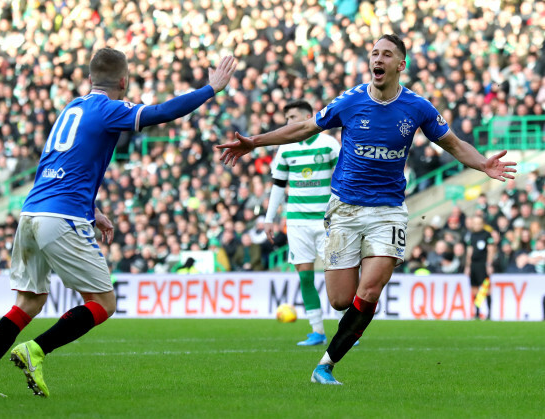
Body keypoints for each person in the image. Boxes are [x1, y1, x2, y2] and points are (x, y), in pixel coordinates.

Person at [217, 34, 516, 385]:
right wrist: (255, 141)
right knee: (341, 300)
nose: (378, 58)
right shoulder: (350, 101)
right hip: (345, 208)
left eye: (386, 54)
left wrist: (482, 163)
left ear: (400, 65)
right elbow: (305, 127)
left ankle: (325, 365)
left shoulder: (417, 107)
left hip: (388, 211)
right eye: (374, 53)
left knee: (370, 291)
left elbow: (452, 143)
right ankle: (360, 311)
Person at [0, 48, 237, 398]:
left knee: (28, 303)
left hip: (32, 213)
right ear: (124, 82)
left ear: (90, 79)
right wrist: (210, 89)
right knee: (104, 303)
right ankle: (36, 350)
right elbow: (162, 112)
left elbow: (58, 164)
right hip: (63, 217)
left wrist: (93, 208)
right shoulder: (109, 109)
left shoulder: (71, 108)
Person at [264, 100, 340, 346]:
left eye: (293, 117)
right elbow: (278, 185)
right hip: (296, 222)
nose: (288, 122)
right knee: (305, 277)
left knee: (336, 276)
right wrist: (269, 218)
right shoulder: (285, 148)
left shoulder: (329, 144)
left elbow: (343, 178)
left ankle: (345, 329)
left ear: (308, 117)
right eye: (286, 118)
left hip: (326, 221)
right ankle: (317, 330)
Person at [464, 215, 496, 320]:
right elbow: (469, 251)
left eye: (479, 223)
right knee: (474, 288)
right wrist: (468, 266)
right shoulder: (471, 235)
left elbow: (491, 250)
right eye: (475, 223)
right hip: (474, 264)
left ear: (482, 224)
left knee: (486, 288)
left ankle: (489, 313)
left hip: (483, 264)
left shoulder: (487, 235)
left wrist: (489, 264)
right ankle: (477, 312)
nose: (477, 225)